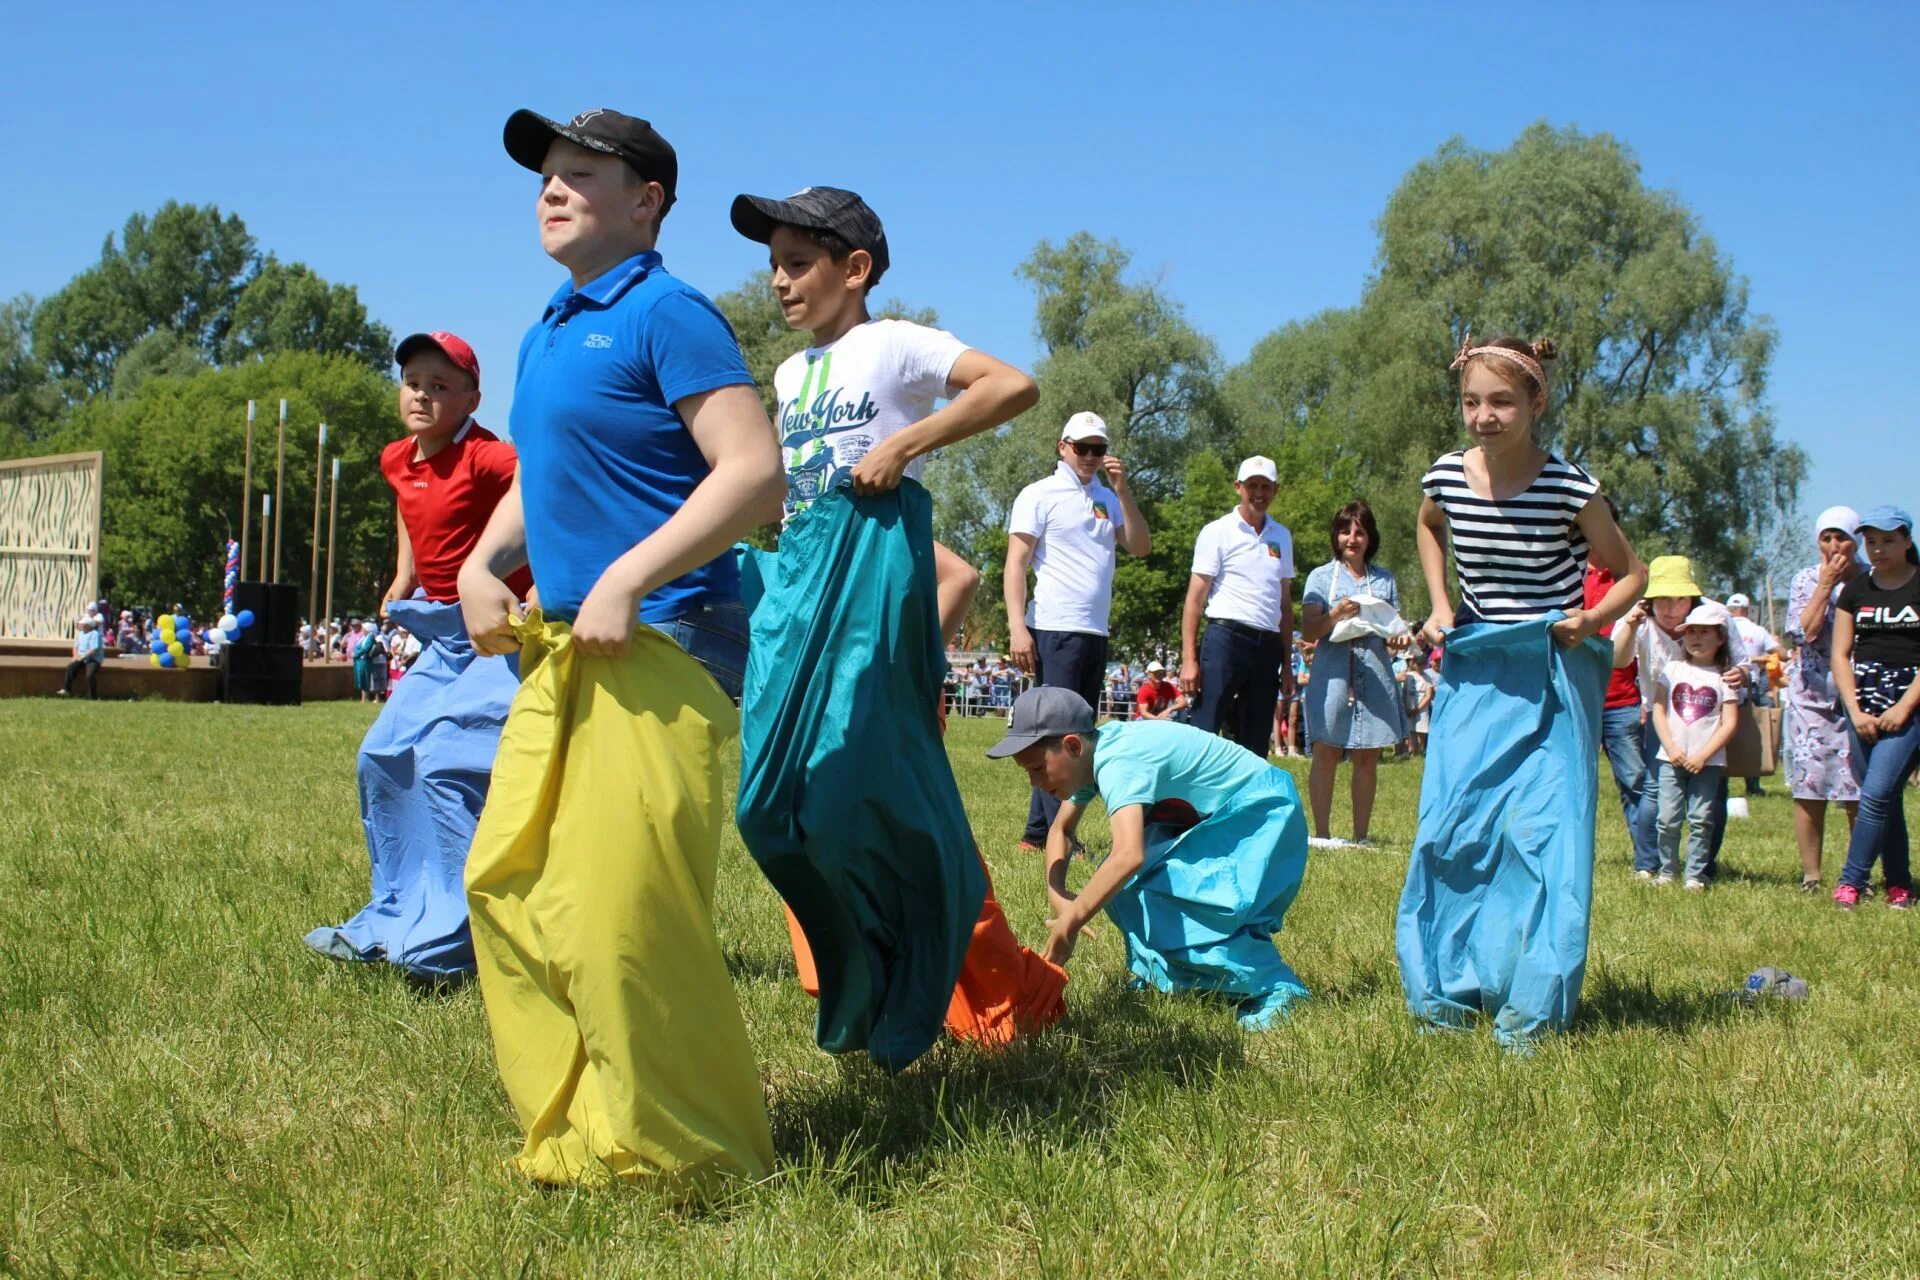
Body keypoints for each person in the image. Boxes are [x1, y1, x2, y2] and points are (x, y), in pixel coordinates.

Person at [458, 106, 782, 1188]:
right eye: (546, 173)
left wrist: (628, 576)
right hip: (567, 643)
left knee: (622, 914)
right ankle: (592, 1130)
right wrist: (478, 563)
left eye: (580, 173)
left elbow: (751, 472)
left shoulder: (668, 312)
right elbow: (545, 481)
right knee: (509, 886)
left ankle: (695, 1155)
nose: (551, 188)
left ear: (647, 202)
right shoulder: (547, 326)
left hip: (667, 631)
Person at [730, 183, 1065, 1061]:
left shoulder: (894, 343)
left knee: (853, 785)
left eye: (798, 263)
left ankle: (917, 968)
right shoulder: (791, 373)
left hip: (872, 570)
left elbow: (1013, 386)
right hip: (803, 570)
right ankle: (858, 962)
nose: (779, 281)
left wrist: (907, 444)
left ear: (856, 268)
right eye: (772, 265)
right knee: (768, 805)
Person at [1397, 334, 1644, 1050]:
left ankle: (1532, 1005)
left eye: (1502, 401)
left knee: (1544, 838)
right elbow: (1427, 526)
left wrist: (1593, 619)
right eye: (1472, 400)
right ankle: (1445, 991)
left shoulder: (1570, 485)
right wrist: (1441, 605)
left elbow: (1631, 570)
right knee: (1451, 827)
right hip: (1477, 668)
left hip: (1554, 670)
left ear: (1536, 403)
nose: (1484, 415)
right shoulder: (1444, 476)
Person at [305, 331, 529, 982]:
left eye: (440, 386)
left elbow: (545, 492)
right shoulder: (395, 458)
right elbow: (410, 510)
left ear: (471, 399)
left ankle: (456, 940)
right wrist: (403, 575)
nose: (423, 396)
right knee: (380, 755)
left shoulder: (490, 458)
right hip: (440, 629)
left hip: (500, 633)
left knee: (443, 762)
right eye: (413, 384)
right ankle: (394, 911)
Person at [990, 686, 1311, 1029]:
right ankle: (1173, 974)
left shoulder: (1118, 761)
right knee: (1127, 887)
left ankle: (1275, 987)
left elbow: (1128, 855)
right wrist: (1058, 893)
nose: (1033, 783)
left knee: (1203, 904)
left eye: (1038, 768)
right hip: (1225, 813)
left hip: (1262, 810)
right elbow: (1060, 831)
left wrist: (1071, 923)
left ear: (1072, 745)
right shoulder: (1092, 755)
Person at [1005, 410, 1151, 848]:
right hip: (1053, 626)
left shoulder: (1107, 498)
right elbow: (1016, 563)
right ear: (1063, 446)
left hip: (1094, 630)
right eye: (1082, 447)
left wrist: (1124, 493)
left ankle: (1038, 832)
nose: (1090, 456)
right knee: (1060, 734)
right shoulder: (1039, 494)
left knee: (1077, 732)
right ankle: (1060, 836)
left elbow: (1141, 547)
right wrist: (1017, 626)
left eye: (1099, 448)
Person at [1614, 556, 1749, 878]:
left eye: (1679, 599)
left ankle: (1703, 866)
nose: (1671, 608)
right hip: (1660, 719)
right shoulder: (1639, 618)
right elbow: (1618, 659)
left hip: (1709, 722)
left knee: (1713, 793)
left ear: (1693, 597)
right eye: (1662, 599)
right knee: (1654, 790)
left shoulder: (1716, 617)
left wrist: (1740, 674)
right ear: (1650, 598)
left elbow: (1743, 662)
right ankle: (1649, 864)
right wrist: (1631, 623)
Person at [1298, 499, 1409, 848]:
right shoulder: (1320, 578)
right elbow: (1311, 630)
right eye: (1346, 531)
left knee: (1368, 755)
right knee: (1326, 749)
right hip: (1332, 672)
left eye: (1360, 532)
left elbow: (1393, 630)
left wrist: (1400, 637)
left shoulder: (1384, 580)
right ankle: (1323, 834)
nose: (1352, 538)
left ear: (1369, 537)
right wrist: (1336, 614)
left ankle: (1361, 837)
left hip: (1375, 670)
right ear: (1336, 536)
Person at [1829, 505, 1920, 910]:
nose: (1878, 549)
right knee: (1883, 797)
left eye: (1887, 541)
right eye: (1872, 541)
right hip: (1862, 701)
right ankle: (1899, 884)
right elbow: (1840, 654)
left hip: (1909, 702)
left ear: (1906, 541)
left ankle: (1851, 882)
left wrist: (1904, 708)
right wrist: (1854, 709)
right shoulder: (1856, 589)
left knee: (1878, 792)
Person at [1181, 456, 1295, 757]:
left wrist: (1287, 663)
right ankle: (1187, 801)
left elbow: (1285, 603)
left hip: (1267, 644)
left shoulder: (1282, 536)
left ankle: (1245, 802)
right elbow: (1195, 598)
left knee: (1256, 737)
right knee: (1206, 728)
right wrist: (1189, 659)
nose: (1259, 493)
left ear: (1275, 490)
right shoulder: (1217, 531)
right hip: (1225, 638)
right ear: (1238, 487)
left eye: (1265, 486)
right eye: (1251, 486)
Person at [1782, 506, 1865, 890]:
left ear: (1856, 539)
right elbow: (1802, 634)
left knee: (1859, 787)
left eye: (1842, 537)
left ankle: (1857, 874)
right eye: (1826, 538)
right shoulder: (1806, 580)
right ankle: (1812, 876)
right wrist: (1825, 585)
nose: (1833, 546)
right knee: (1809, 785)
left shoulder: (1871, 580)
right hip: (1811, 697)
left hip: (1859, 695)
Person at [1587, 497, 1658, 874]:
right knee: (1567, 783)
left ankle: (1649, 861)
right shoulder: (1568, 575)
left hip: (1621, 699)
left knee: (1634, 783)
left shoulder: (1634, 576)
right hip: (1576, 697)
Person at [1651, 602, 1742, 889]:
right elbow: (1658, 710)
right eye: (1691, 632)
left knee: (1701, 819)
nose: (1696, 638)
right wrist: (1672, 748)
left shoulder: (1724, 677)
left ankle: (1695, 875)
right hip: (1670, 758)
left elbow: (1729, 723)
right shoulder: (1673, 669)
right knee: (1667, 818)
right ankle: (1667, 871)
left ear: (1720, 639)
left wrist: (1703, 755)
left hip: (1708, 762)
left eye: (1704, 632)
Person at [1726, 592, 1782, 796]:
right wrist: (1763, 657)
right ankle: (1752, 783)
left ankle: (1719, 780)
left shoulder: (1721, 625)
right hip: (1751, 685)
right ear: (1747, 610)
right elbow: (1781, 652)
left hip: (1723, 683)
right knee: (1754, 733)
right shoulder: (1757, 630)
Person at [60, 616, 103, 699]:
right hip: (81, 657)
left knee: (90, 675)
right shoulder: (80, 634)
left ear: (88, 625)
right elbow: (76, 647)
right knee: (70, 668)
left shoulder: (95, 634)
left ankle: (93, 696)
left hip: (93, 659)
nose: (80, 626)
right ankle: (66, 689)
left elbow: (93, 649)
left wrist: (82, 657)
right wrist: (75, 656)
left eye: (82, 624)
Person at [1401, 649, 1435, 754]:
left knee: (1422, 729)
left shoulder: (1428, 678)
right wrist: (1405, 706)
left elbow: (1428, 695)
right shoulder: (1409, 675)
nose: (1421, 667)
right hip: (1409, 705)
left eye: (1423, 664)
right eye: (1418, 664)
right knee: (1410, 729)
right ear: (1414, 663)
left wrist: (1418, 708)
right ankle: (1411, 750)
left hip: (1422, 708)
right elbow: (1404, 692)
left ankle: (1420, 750)